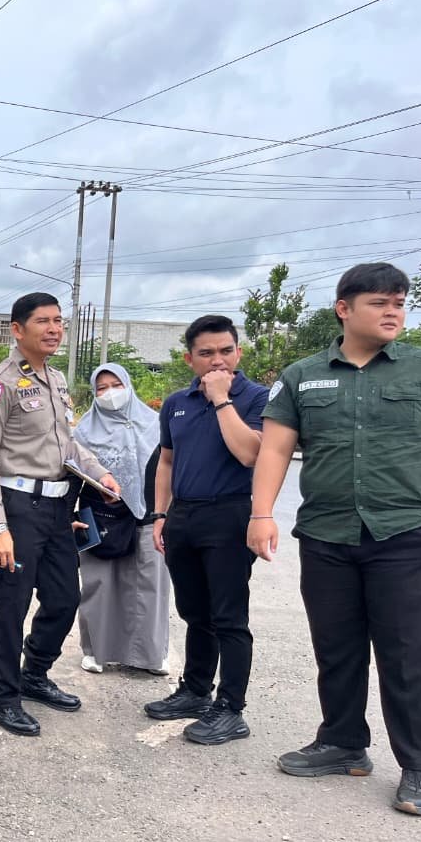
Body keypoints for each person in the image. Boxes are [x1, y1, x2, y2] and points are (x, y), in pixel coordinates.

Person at [249, 262, 421, 817]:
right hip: (326, 533)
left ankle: (418, 766)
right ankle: (344, 743)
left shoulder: (420, 369)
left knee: (406, 654)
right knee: (337, 647)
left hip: (405, 533)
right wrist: (261, 514)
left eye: (399, 301)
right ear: (344, 309)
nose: (393, 311)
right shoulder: (302, 376)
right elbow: (275, 449)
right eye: (379, 302)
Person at [0, 293, 121, 737]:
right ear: (17, 330)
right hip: (17, 509)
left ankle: (34, 674)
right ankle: (2, 697)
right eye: (43, 321)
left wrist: (100, 474)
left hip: (58, 509)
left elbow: (67, 447)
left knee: (63, 599)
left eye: (59, 321)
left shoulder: (55, 380)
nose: (54, 329)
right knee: (11, 606)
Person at [145, 314, 269, 745]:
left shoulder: (256, 397)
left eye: (226, 351)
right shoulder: (176, 402)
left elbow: (251, 454)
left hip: (229, 514)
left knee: (229, 617)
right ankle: (196, 690)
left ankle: (231, 709)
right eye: (207, 353)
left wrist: (222, 400)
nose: (218, 360)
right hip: (184, 517)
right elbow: (166, 461)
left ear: (238, 351)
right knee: (195, 612)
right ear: (189, 358)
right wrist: (161, 516)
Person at [72, 363, 170, 675]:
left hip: (148, 513)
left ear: (128, 385)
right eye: (101, 388)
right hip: (101, 514)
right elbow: (71, 471)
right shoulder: (84, 430)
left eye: (116, 385)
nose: (110, 393)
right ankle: (96, 651)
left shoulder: (154, 423)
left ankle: (148, 655)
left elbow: (169, 467)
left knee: (148, 584)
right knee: (99, 582)